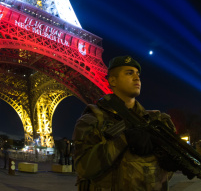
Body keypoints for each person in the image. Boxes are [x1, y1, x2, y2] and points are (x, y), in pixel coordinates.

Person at [72, 56, 176, 190]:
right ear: (113, 81)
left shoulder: (158, 120)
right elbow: (84, 168)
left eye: (138, 74)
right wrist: (123, 139)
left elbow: (164, 175)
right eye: (129, 73)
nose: (136, 77)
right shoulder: (92, 119)